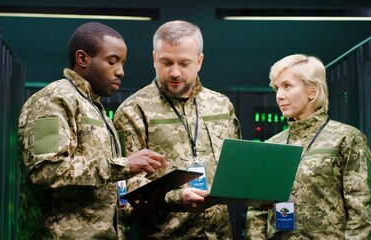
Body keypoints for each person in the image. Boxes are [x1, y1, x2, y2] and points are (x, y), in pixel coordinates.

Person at [17, 22, 167, 239]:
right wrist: (126, 164)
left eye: (123, 63)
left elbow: (97, 192)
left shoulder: (95, 108)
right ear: (83, 59)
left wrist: (130, 211)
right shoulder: (53, 100)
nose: (121, 71)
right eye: (112, 61)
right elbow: (46, 172)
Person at [113, 20, 241, 239]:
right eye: (167, 62)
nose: (174, 72)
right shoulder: (133, 111)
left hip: (219, 234)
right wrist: (177, 198)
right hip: (164, 233)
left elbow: (236, 167)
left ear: (199, 61)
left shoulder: (221, 105)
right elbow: (125, 183)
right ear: (154, 59)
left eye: (184, 63)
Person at [245, 54, 371, 239]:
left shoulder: (346, 138)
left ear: (312, 91)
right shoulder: (273, 144)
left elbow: (361, 210)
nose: (279, 95)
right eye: (276, 88)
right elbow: (257, 210)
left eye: (287, 86)